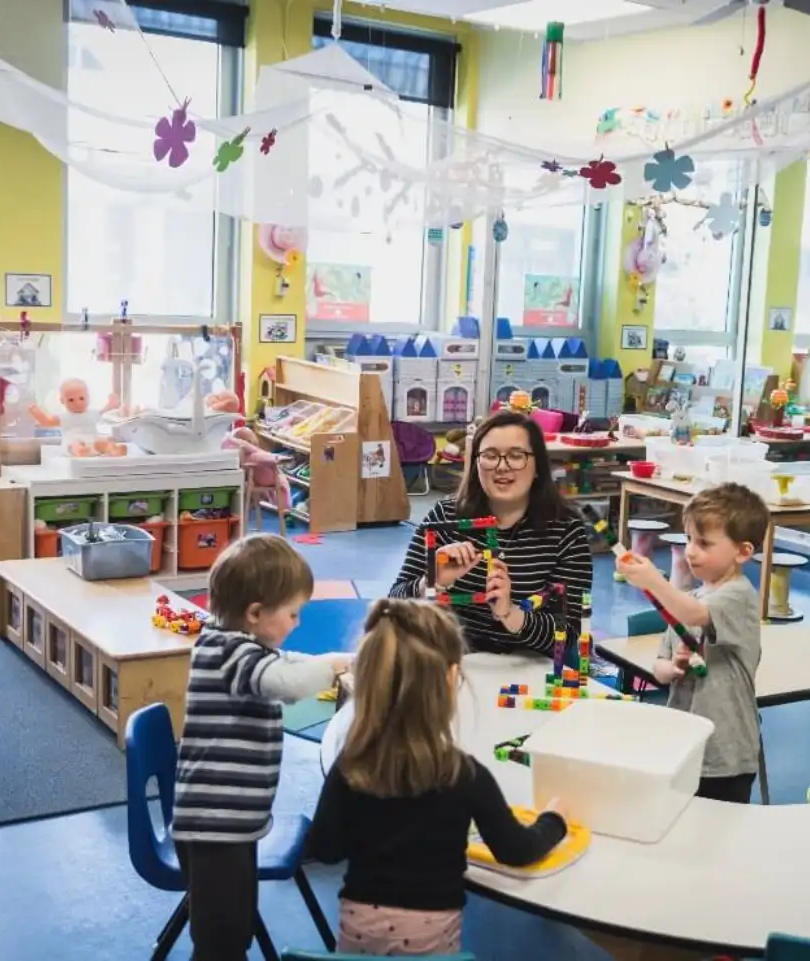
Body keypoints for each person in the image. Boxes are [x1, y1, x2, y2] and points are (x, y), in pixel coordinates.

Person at [307, 599, 568, 954]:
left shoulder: (351, 765)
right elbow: (516, 850)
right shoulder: (465, 774)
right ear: (450, 679)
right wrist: (554, 821)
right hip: (434, 944)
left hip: (358, 937)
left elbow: (325, 849)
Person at [171, 534, 352, 961]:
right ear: (255, 613)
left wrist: (337, 660)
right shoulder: (233, 656)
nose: (298, 623)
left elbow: (287, 665)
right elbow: (286, 682)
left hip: (229, 823)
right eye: (293, 613)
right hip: (216, 827)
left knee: (231, 926)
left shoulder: (233, 644)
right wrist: (334, 670)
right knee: (221, 941)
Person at [390, 409, 593, 656]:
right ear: (476, 464)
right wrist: (431, 582)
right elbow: (393, 605)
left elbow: (570, 635)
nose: (502, 467)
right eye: (490, 455)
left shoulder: (566, 531)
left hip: (529, 669)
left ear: (538, 465)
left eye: (517, 456)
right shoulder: (446, 516)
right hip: (454, 663)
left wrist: (511, 614)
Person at [616, 483, 769, 804]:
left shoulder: (738, 596)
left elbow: (697, 614)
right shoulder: (686, 601)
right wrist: (674, 667)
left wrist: (654, 581)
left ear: (743, 552)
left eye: (704, 543)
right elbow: (658, 669)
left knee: (718, 840)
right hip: (683, 748)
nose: (690, 551)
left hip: (726, 754)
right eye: (688, 539)